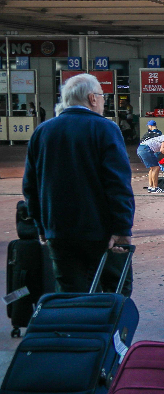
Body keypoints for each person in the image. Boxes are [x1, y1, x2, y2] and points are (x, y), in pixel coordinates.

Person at [23, 74, 134, 293]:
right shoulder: (105, 129)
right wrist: (122, 227)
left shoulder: (43, 131)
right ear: (93, 98)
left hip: (58, 230)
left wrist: (41, 226)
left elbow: (31, 186)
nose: (103, 101)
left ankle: (73, 328)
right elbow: (117, 183)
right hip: (100, 231)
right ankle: (108, 329)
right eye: (102, 96)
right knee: (115, 291)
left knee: (70, 293)